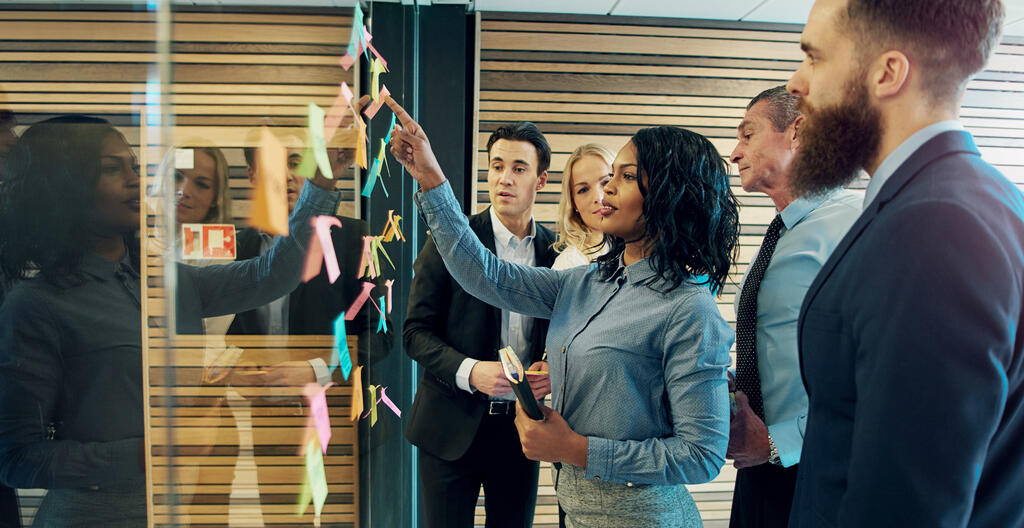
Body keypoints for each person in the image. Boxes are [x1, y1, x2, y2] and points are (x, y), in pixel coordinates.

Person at [388, 95, 739, 527]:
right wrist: (431, 178)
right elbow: (485, 275)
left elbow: (701, 455)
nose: (606, 189)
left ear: (668, 197)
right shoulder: (585, 281)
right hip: (576, 513)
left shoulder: (689, 308)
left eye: (625, 178)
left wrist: (575, 449)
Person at [0, 116, 341, 526]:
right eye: (112, 168)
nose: (133, 179)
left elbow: (272, 274)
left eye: (131, 166)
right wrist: (153, 450)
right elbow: (17, 459)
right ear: (66, 186)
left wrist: (321, 182)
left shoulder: (167, 281)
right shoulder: (36, 304)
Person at [785, 1, 1023, 526]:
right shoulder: (983, 198)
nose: (795, 83)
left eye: (814, 58)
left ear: (888, 73)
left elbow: (907, 506)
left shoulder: (935, 227)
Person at [403, 121, 557, 527]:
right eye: (497, 166)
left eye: (519, 168)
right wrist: (472, 372)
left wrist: (550, 367)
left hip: (522, 431)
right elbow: (414, 334)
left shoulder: (558, 252)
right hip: (448, 428)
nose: (504, 178)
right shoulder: (454, 239)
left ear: (541, 180)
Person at [724, 85, 860, 528]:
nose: (734, 152)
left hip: (819, 474)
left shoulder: (854, 226)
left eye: (747, 134)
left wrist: (780, 443)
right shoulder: (777, 235)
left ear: (797, 132)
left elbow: (882, 370)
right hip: (757, 473)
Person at [552, 143, 614, 270]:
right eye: (583, 190)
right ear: (573, 203)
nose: (598, 198)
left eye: (606, 182)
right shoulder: (570, 264)